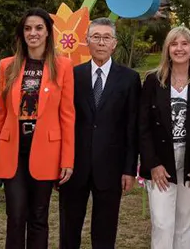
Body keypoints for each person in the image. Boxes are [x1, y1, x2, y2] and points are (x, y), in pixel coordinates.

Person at [0, 8, 75, 249]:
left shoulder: (63, 66)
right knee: (15, 216)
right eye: (28, 28)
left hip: (47, 151)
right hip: (12, 150)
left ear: (48, 32)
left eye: (38, 28)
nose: (33, 33)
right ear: (21, 33)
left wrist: (67, 158)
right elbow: (1, 113)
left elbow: (67, 115)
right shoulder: (7, 65)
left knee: (39, 217)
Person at [59, 18, 141, 249]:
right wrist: (61, 160)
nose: (101, 42)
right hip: (73, 166)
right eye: (96, 37)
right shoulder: (72, 75)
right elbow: (62, 121)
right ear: (87, 42)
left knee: (105, 231)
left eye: (106, 37)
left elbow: (131, 127)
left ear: (114, 43)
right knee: (68, 228)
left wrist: (129, 169)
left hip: (111, 168)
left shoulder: (129, 78)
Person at [139, 26, 190, 249]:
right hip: (161, 160)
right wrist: (152, 163)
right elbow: (142, 126)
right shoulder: (153, 80)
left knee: (185, 223)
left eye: (184, 44)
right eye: (174, 44)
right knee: (162, 223)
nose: (179, 48)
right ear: (167, 49)